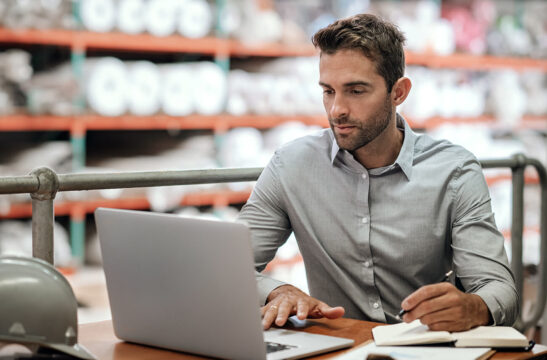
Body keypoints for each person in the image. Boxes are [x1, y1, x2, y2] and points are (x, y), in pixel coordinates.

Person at [237, 13, 518, 332]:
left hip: (426, 349)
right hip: (337, 346)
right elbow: (229, 267)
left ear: (398, 92)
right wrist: (277, 290)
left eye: (355, 91)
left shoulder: (454, 172)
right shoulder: (291, 166)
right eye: (328, 91)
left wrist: (475, 306)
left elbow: (501, 290)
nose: (336, 109)